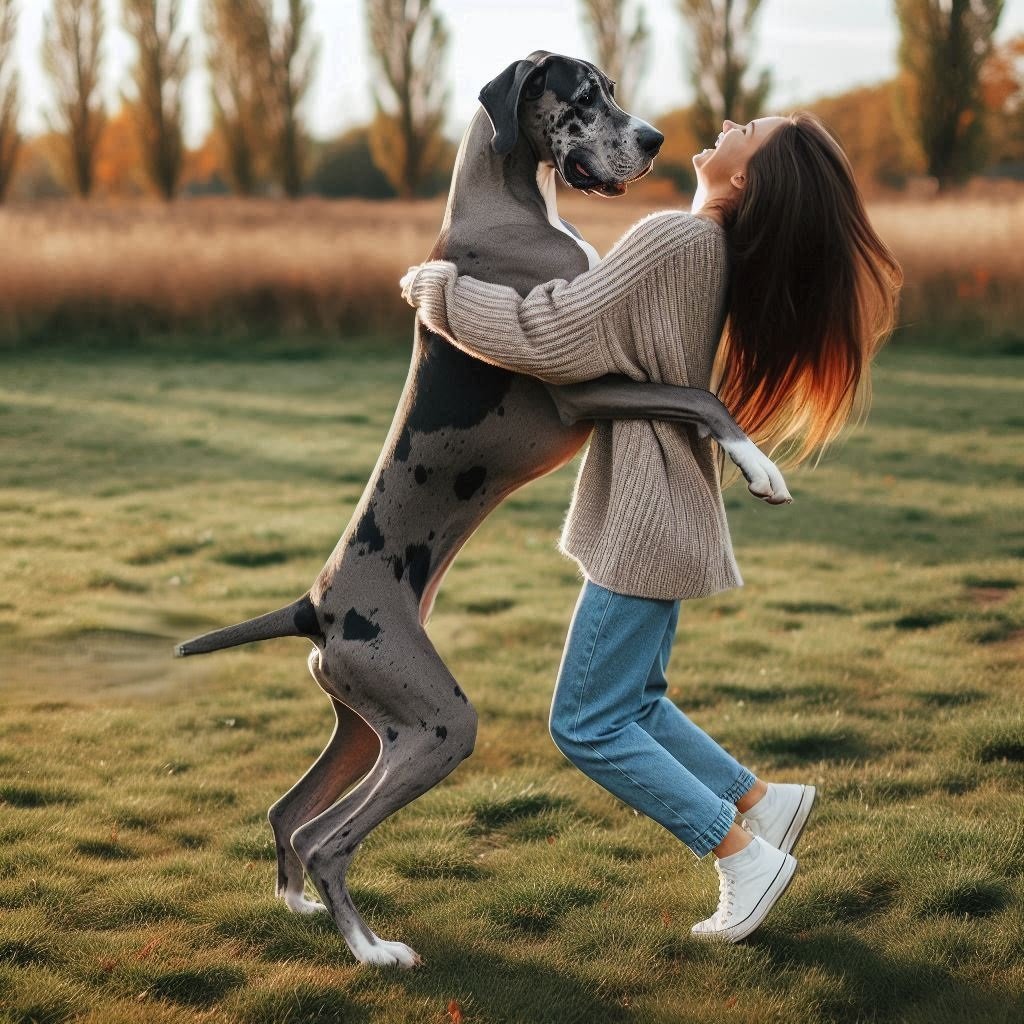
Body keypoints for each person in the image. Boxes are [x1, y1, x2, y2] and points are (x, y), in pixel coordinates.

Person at [400, 111, 902, 942]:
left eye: (754, 128)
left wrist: (439, 291)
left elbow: (552, 331)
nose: (732, 121)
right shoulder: (707, 254)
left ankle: (741, 855)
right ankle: (760, 802)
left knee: (587, 723)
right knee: (632, 699)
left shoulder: (677, 239)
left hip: (647, 514)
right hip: (662, 507)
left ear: (747, 180)